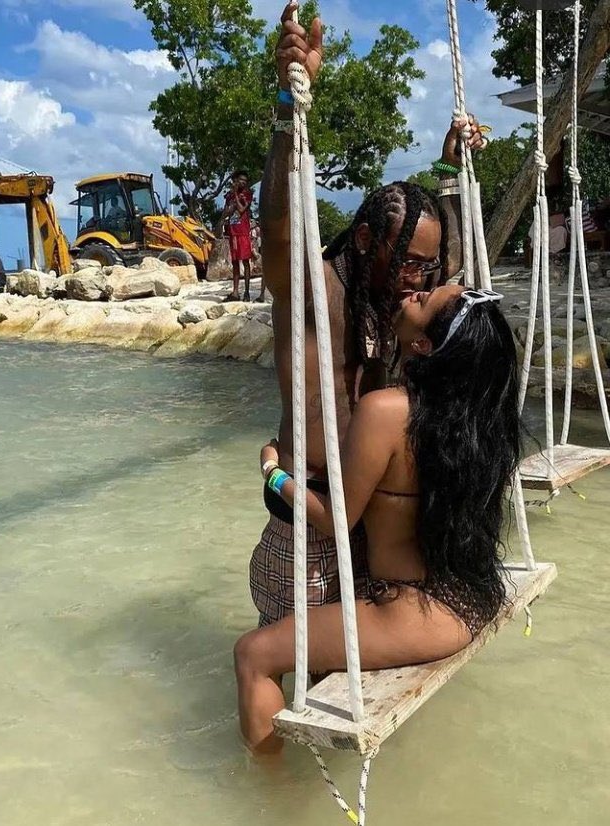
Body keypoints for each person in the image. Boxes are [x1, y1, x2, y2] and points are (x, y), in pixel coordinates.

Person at [250, 2, 486, 630]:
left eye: (424, 269)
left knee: (362, 673)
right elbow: (279, 228)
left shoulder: (400, 306)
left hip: (374, 531)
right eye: (407, 262)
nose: (419, 279)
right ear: (362, 242)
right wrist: (288, 110)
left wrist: (448, 170)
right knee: (293, 670)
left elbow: (454, 270)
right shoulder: (315, 290)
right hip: (310, 527)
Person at [235, 284, 520, 754]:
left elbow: (334, 522)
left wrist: (273, 472)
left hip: (420, 610)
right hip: (469, 593)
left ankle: (268, 788)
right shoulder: (476, 419)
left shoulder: (386, 410)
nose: (414, 293)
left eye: (423, 300)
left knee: (253, 654)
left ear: (423, 344)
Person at [223, 170, 255, 302]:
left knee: (246, 261)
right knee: (235, 262)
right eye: (241, 180)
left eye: (245, 181)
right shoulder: (228, 196)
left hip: (243, 232)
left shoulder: (247, 194)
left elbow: (242, 209)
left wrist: (236, 194)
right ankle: (235, 292)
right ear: (235, 180)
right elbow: (226, 212)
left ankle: (246, 292)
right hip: (233, 232)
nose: (243, 182)